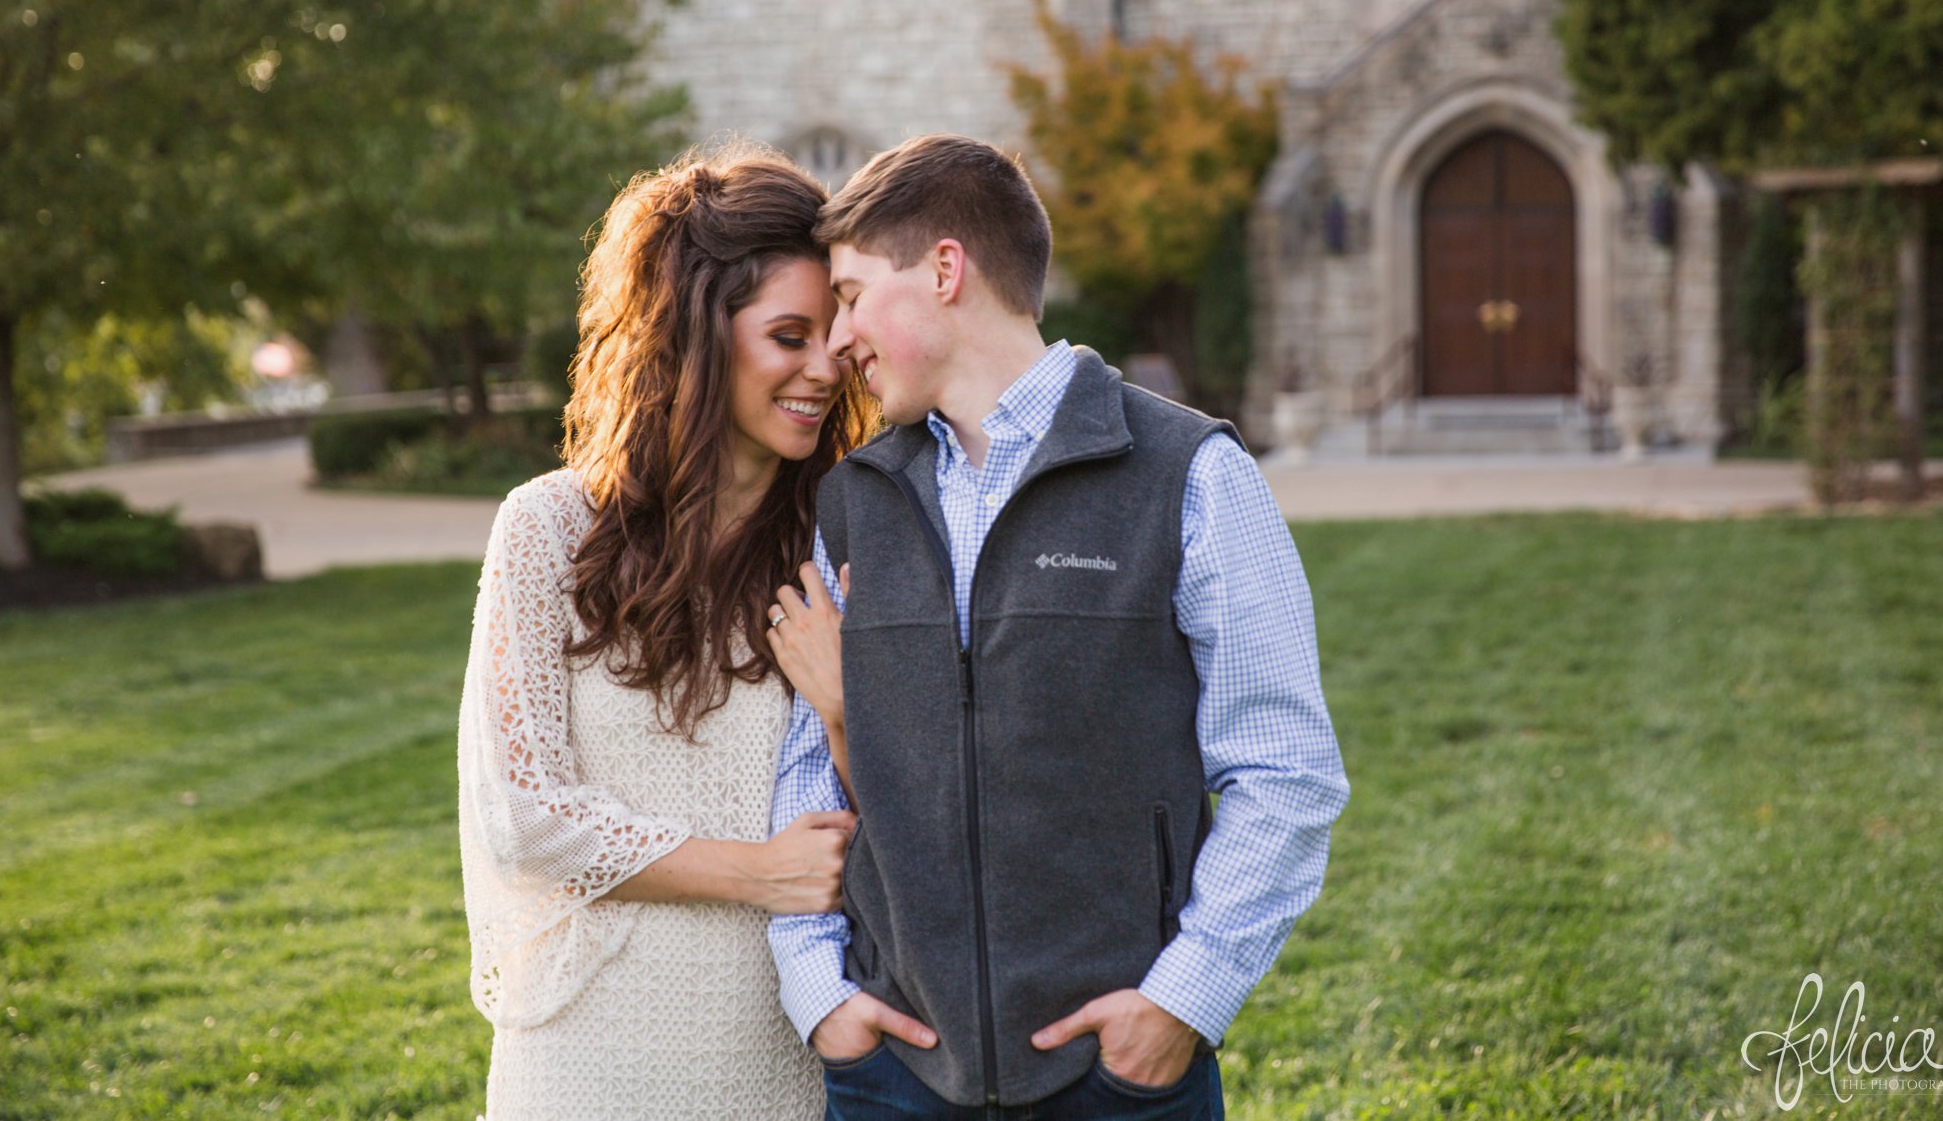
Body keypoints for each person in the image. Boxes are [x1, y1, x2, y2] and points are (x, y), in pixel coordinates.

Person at [763, 132, 1351, 1118]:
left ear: (945, 269)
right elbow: (804, 782)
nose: (837, 342)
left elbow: (1284, 771)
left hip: (1116, 1078)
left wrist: (1178, 1003)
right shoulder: (854, 502)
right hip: (894, 1074)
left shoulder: (1187, 475)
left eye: (853, 296)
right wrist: (822, 998)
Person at [455, 147, 876, 1120]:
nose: (825, 367)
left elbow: (899, 814)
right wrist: (755, 869)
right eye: (786, 335)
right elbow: (523, 818)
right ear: (695, 337)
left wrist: (850, 711)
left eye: (833, 333)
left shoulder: (842, 540)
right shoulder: (549, 530)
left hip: (783, 1055)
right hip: (588, 1058)